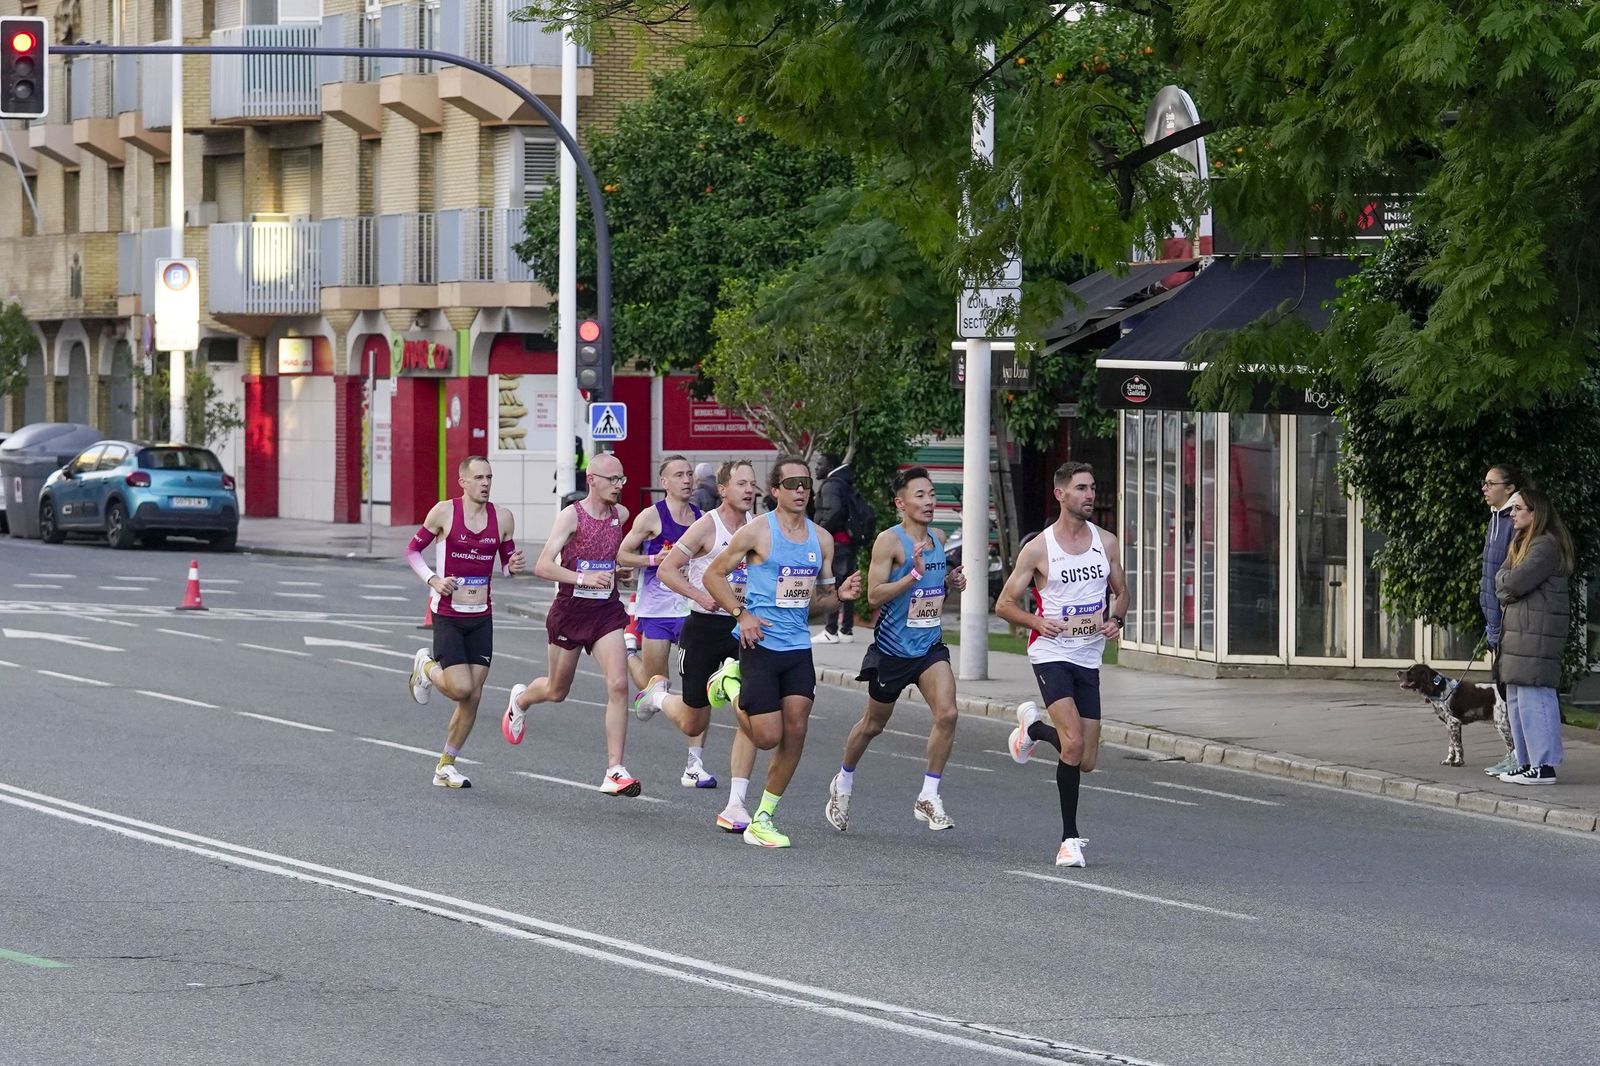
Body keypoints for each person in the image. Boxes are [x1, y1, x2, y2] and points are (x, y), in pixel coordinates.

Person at [703, 455, 861, 848]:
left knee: (797, 730)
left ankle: (763, 818)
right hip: (760, 644)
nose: (801, 490)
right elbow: (712, 574)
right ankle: (729, 683)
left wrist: (839, 596)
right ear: (775, 491)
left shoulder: (821, 539)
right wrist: (741, 615)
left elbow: (818, 602)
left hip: (797, 649)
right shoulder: (757, 532)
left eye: (805, 483)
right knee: (767, 736)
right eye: (791, 484)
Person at [996, 462, 1128, 869]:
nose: (1090, 495)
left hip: (1089, 656)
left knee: (1086, 759)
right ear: (1061, 495)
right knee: (1071, 744)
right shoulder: (1039, 549)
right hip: (1051, 652)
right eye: (1082, 488)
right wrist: (1037, 621)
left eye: (1092, 488)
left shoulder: (1106, 542)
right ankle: (1069, 840)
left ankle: (1031, 729)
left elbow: (1121, 593)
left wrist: (1117, 619)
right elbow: (1004, 604)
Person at [824, 467, 967, 833]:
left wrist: (951, 581)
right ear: (900, 503)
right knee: (873, 725)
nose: (930, 501)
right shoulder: (889, 542)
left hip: (929, 647)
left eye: (932, 494)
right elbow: (873, 597)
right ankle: (842, 782)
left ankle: (929, 795)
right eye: (920, 495)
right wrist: (912, 575)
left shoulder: (937, 537)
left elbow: (934, 592)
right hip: (892, 650)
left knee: (948, 713)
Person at [502, 451, 642, 797]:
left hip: (606, 612)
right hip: (570, 611)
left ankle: (615, 769)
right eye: (613, 479)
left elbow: (609, 564)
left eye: (622, 479)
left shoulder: (621, 515)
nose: (619, 486)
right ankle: (520, 700)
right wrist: (583, 577)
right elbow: (543, 566)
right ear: (591, 479)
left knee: (620, 684)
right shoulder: (572, 516)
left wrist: (616, 574)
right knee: (556, 690)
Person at [634, 459, 763, 830]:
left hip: (743, 629)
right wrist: (700, 595)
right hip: (704, 629)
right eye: (741, 483)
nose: (748, 490)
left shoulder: (759, 528)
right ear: (723, 489)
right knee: (694, 721)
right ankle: (657, 695)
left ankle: (737, 803)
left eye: (752, 483)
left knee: (750, 712)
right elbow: (666, 569)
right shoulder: (707, 525)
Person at [405, 456, 526, 789]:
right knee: (460, 687)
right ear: (463, 482)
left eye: (489, 477)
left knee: (473, 696)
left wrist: (512, 567)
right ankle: (426, 667)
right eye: (478, 478)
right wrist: (433, 579)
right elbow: (412, 552)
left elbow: (505, 564)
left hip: (481, 616)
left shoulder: (502, 518)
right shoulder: (444, 512)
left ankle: (446, 765)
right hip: (448, 615)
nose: (485, 483)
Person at [617, 455, 712, 786]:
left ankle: (694, 765)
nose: (686, 480)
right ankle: (630, 652)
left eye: (689, 474)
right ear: (665, 482)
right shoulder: (650, 517)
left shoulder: (703, 519)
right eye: (679, 475)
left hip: (692, 612)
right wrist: (651, 558)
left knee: (699, 688)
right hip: (656, 611)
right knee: (656, 685)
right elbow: (622, 554)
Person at [1494, 487, 1574, 786]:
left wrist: (1506, 584)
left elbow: (1512, 582)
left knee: (1535, 698)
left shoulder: (1545, 546)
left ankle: (1544, 765)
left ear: (1534, 512)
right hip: (1521, 634)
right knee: (1517, 699)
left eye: (1517, 509)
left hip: (1536, 634)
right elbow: (1502, 579)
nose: (1511, 514)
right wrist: (1506, 583)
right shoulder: (1522, 543)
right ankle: (1527, 761)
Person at [1479, 463, 1526, 776]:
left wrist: (1498, 622)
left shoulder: (1512, 520)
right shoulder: (1496, 517)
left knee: (1509, 692)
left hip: (1506, 622)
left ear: (1509, 488)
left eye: (1490, 483)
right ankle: (1515, 754)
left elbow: (1509, 574)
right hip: (1494, 619)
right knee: (1504, 689)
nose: (1484, 488)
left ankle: (1520, 755)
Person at [812, 455, 869, 644]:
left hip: (836, 543)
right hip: (847, 542)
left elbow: (833, 511)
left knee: (831, 584)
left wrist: (819, 532)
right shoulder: (844, 482)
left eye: (820, 464)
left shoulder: (831, 485)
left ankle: (830, 630)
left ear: (830, 466)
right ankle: (846, 630)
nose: (816, 468)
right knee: (847, 584)